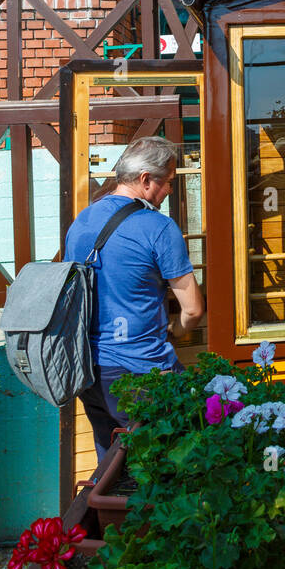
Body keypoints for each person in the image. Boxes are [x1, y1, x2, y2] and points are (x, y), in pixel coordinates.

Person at [64, 135, 204, 459]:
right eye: (167, 181)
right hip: (142, 371)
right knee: (172, 464)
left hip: (90, 372)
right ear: (145, 180)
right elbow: (194, 309)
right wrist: (178, 330)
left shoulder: (81, 221)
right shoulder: (157, 227)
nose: (169, 190)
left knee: (113, 471)